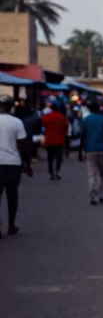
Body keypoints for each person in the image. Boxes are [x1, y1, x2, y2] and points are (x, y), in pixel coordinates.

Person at [0, 95, 34, 238]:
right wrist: (27, 164)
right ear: (11, 107)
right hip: (13, 163)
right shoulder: (16, 122)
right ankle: (11, 225)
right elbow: (23, 144)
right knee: (12, 196)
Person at [81, 100, 103, 205]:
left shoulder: (85, 120)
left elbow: (83, 136)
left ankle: (93, 195)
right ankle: (100, 194)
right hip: (102, 149)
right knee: (102, 174)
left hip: (90, 149)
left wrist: (80, 150)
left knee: (92, 173)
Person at [41, 103, 70, 180]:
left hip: (49, 140)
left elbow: (43, 126)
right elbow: (66, 129)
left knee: (50, 158)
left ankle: (51, 172)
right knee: (58, 157)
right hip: (59, 141)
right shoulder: (63, 117)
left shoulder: (47, 117)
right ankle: (57, 171)